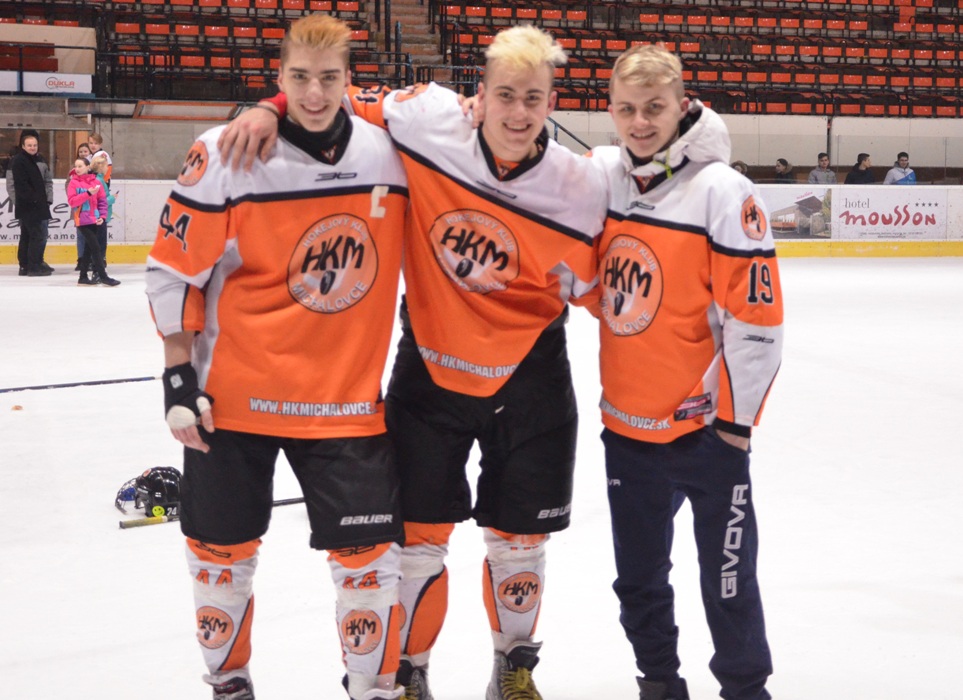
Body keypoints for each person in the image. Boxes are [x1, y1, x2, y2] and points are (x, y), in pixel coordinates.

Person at [218, 24, 608, 700]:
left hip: (531, 374)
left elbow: (671, 171)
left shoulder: (582, 183)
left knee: (520, 542)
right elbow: (328, 92)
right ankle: (409, 674)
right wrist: (267, 107)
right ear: (478, 94)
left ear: (553, 103)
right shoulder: (427, 118)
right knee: (418, 541)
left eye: (533, 98)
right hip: (430, 371)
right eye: (505, 95)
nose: (518, 113)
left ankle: (513, 672)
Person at [145, 14, 410, 700]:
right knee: (219, 562)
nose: (314, 94)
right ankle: (229, 685)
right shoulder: (224, 151)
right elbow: (174, 270)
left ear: (350, 79)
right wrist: (177, 378)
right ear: (279, 77)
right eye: (298, 78)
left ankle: (372, 691)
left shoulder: (391, 154)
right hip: (233, 400)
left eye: (329, 78)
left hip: (345, 404)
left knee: (370, 568)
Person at [586, 45, 783, 700]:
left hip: (705, 437)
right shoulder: (605, 176)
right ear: (610, 109)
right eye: (626, 109)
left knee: (727, 581)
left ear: (681, 105)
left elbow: (756, 319)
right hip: (627, 429)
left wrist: (734, 425)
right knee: (638, 580)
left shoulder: (721, 190)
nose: (640, 123)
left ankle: (744, 690)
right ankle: (659, 684)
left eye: (654, 108)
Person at [66, 158, 120, 287]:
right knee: (95, 247)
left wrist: (102, 216)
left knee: (88, 248)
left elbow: (102, 201)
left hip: (94, 219)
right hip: (82, 220)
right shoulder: (73, 183)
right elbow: (72, 202)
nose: (77, 169)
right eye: (76, 166)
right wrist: (88, 193)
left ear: (88, 167)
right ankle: (103, 276)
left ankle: (83, 277)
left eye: (80, 166)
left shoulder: (96, 182)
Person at [9, 129, 52, 277]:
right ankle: (33, 266)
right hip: (30, 206)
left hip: (34, 205)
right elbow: (22, 185)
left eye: (35, 145)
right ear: (23, 146)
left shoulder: (33, 159)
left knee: (27, 235)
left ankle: (26, 265)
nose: (33, 147)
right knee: (36, 235)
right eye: (29, 145)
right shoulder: (20, 161)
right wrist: (34, 200)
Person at [89, 155, 114, 272]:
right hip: (100, 216)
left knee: (99, 242)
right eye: (106, 166)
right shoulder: (98, 181)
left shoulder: (99, 179)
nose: (107, 168)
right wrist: (112, 198)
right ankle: (98, 268)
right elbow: (101, 200)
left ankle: (98, 266)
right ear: (100, 167)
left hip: (100, 215)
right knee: (100, 243)